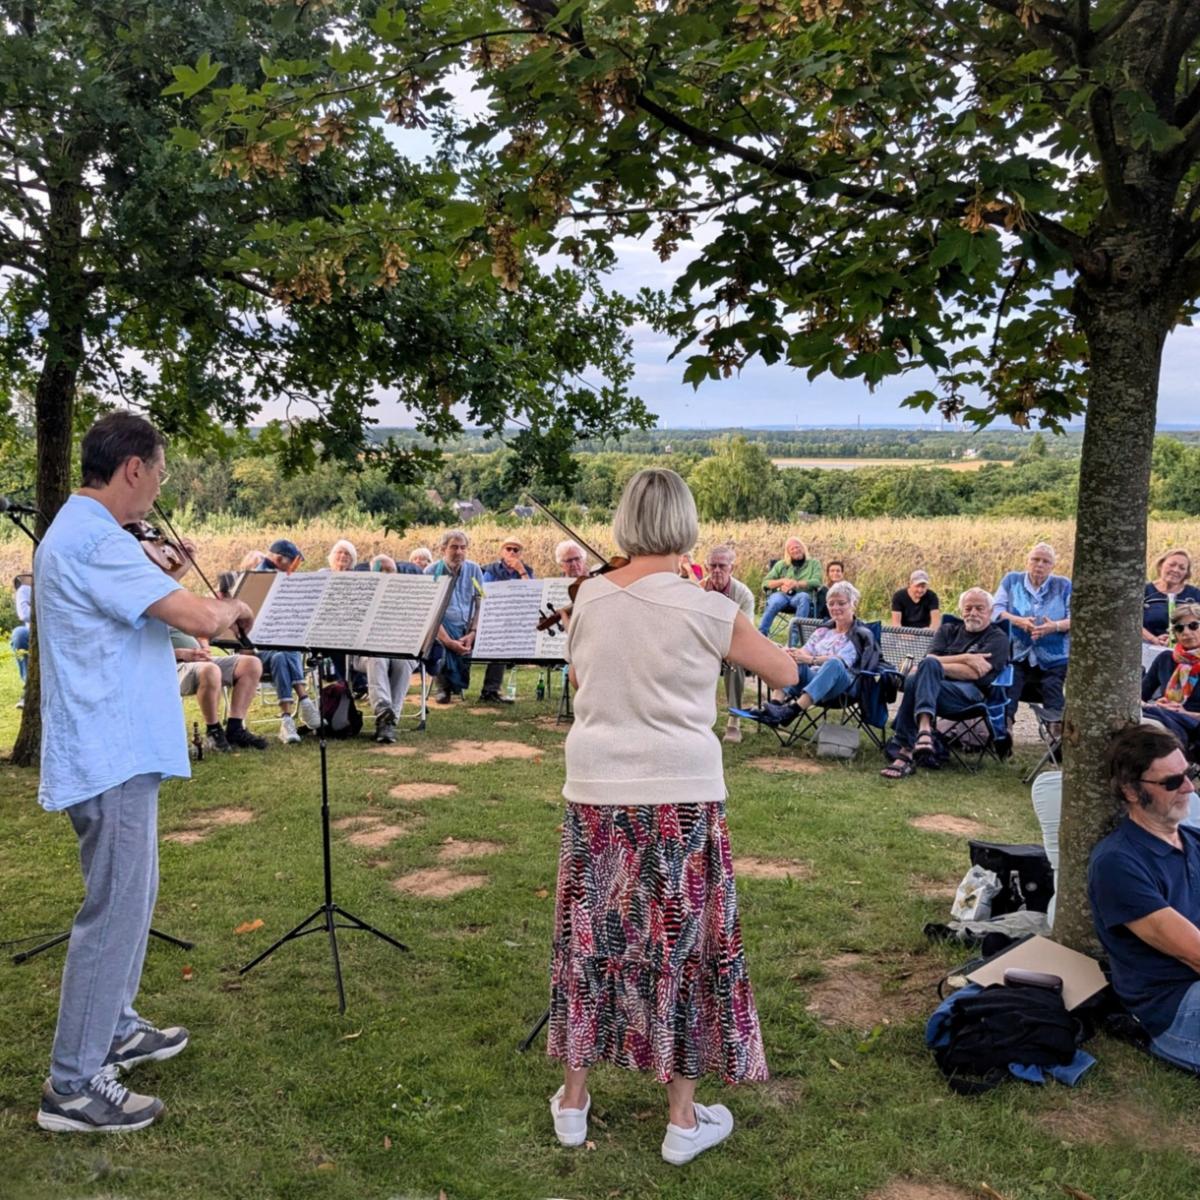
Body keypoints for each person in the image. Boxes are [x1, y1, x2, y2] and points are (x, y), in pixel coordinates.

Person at [548, 468, 797, 1165]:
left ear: (625, 523)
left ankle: (573, 1103)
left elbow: (582, 682)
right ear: (685, 526)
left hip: (595, 790)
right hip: (681, 795)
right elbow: (786, 674)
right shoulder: (709, 606)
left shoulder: (588, 599)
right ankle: (682, 1120)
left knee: (590, 938)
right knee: (685, 946)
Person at [34, 412, 254, 1134]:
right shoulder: (96, 537)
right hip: (110, 750)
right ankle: (71, 1084)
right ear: (133, 468)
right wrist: (235, 606)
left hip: (120, 747)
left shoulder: (88, 533)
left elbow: (143, 614)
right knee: (114, 911)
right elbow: (193, 613)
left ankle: (116, 1027)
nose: (159, 488)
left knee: (135, 896)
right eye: (159, 474)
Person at [1088, 723, 1200, 1073]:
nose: (1190, 787)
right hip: (1174, 1010)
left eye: (1190, 773)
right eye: (1172, 782)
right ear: (1132, 792)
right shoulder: (1118, 863)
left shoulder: (1193, 841)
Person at [881, 587, 1010, 779]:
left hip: (969, 696)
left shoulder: (997, 637)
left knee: (917, 678)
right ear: (961, 611)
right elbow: (930, 661)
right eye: (968, 608)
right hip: (934, 692)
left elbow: (973, 673)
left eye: (979, 608)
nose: (973, 612)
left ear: (990, 612)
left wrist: (938, 664)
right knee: (918, 677)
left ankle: (908, 746)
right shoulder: (948, 630)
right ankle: (920, 737)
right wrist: (966, 657)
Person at [993, 541, 1071, 735]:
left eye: (1046, 561)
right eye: (1035, 559)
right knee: (1011, 682)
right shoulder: (1012, 580)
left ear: (1053, 566)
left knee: (1053, 686)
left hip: (1054, 655)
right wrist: (1017, 621)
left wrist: (1054, 626)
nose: (1040, 565)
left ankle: (1056, 734)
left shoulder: (1063, 585)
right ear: (1027, 562)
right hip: (1018, 651)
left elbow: (1075, 618)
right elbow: (995, 610)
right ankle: (1004, 731)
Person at [770, 581, 876, 720]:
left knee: (834, 663)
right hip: (813, 679)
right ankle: (774, 707)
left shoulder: (860, 634)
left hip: (842, 687)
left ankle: (792, 711)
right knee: (790, 659)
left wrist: (811, 660)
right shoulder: (823, 631)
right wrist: (791, 652)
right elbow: (804, 653)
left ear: (853, 604)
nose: (835, 607)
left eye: (841, 603)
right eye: (831, 604)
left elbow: (841, 663)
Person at [251, 542, 321, 743]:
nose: (295, 570)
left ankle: (287, 720)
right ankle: (305, 699)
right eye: (293, 564)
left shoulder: (282, 578)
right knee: (285, 648)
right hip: (257, 652)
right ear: (279, 560)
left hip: (280, 654)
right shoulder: (259, 580)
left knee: (282, 655)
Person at [172, 633, 268, 752]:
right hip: (168, 664)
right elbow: (144, 650)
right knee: (210, 670)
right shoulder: (150, 615)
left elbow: (202, 634)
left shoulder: (181, 615)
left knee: (252, 664)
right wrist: (181, 653)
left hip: (196, 660)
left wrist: (204, 647)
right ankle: (213, 731)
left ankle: (235, 729)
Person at [702, 544, 756, 743]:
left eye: (722, 566)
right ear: (707, 567)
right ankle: (697, 719)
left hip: (732, 643)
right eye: (713, 566)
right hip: (705, 645)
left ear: (731, 569)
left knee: (735, 663)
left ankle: (734, 721)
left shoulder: (743, 594)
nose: (717, 570)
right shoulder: (699, 589)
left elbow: (746, 631)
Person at [425, 530, 485, 705]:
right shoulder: (431, 572)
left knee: (502, 637)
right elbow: (431, 613)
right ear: (443, 549)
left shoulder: (474, 570)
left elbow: (480, 603)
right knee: (441, 634)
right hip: (441, 628)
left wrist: (473, 632)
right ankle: (444, 686)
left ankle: (491, 689)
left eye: (462, 548)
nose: (459, 552)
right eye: (454, 547)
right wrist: (449, 641)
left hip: (469, 626)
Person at [479, 537, 536, 703]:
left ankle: (491, 690)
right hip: (494, 616)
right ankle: (489, 690)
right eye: (508, 549)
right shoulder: (490, 570)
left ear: (520, 553)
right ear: (502, 552)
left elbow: (532, 593)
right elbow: (484, 593)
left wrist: (522, 571)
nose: (511, 552)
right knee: (500, 642)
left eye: (516, 550)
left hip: (517, 618)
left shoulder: (527, 570)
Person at [1142, 601, 1200, 760]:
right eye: (1180, 628)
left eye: (1193, 626)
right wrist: (1152, 705)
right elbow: (1138, 696)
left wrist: (1185, 713)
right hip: (1164, 717)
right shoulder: (1165, 659)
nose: (1186, 632)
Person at [757, 537, 822, 635]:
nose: (795, 550)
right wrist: (782, 581)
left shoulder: (814, 563)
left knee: (804, 597)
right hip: (782, 594)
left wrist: (797, 584)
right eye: (792, 549)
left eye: (797, 547)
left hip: (800, 596)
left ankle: (794, 638)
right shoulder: (781, 564)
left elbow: (817, 582)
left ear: (803, 548)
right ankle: (762, 634)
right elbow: (765, 583)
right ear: (788, 552)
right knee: (775, 601)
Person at [1143, 549, 1200, 647]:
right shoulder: (1144, 591)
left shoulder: (1195, 594)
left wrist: (1177, 639)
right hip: (1145, 646)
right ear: (1161, 565)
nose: (1176, 570)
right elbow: (1129, 621)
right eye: (1172, 565)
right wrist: (1153, 639)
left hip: (1186, 650)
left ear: (1186, 573)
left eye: (1182, 568)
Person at [11, 571, 31, 707]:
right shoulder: (25, 590)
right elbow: (24, 614)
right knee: (19, 634)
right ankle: (28, 687)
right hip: (32, 633)